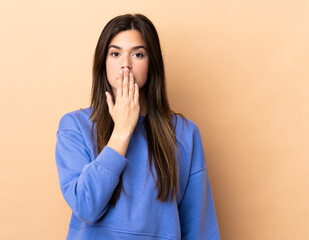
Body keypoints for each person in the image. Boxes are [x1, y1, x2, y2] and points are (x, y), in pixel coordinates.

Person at [55, 13, 220, 240]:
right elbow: (86, 206)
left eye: (138, 54)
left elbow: (201, 229)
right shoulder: (75, 126)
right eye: (115, 54)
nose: (126, 65)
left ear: (151, 65)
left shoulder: (185, 133)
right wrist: (122, 130)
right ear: (103, 63)